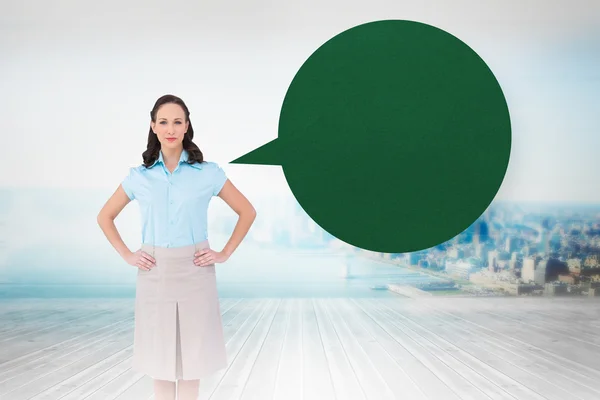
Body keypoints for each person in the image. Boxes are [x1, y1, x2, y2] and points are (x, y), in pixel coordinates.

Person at [97, 94, 256, 400]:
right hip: (154, 272)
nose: (171, 128)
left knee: (192, 363)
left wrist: (224, 253)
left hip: (196, 271)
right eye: (164, 122)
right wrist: (128, 254)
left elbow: (247, 211)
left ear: (187, 127)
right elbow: (105, 216)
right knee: (160, 363)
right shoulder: (139, 176)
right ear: (153, 127)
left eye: (177, 122)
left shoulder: (207, 173)